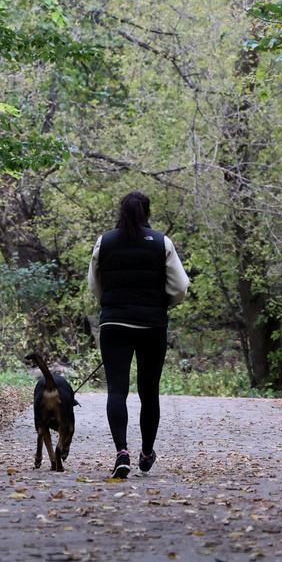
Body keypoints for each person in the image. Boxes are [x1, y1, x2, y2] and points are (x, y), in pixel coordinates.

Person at [87, 190, 189, 479]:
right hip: (152, 326)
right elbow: (180, 287)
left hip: (114, 324)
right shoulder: (161, 242)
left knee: (117, 390)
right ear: (147, 212)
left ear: (121, 212)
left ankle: (122, 452)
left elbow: (94, 284)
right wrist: (162, 304)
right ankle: (146, 453)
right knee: (148, 391)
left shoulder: (104, 242)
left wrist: (110, 304)